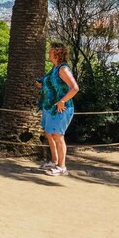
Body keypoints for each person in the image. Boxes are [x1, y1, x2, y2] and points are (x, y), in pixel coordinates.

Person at [36, 43, 80, 176]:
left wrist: (62, 101)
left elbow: (75, 88)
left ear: (57, 53)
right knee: (49, 134)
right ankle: (54, 161)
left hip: (61, 108)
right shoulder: (54, 68)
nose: (48, 53)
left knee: (58, 136)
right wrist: (41, 84)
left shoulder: (63, 69)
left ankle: (62, 167)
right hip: (50, 107)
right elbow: (51, 85)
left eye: (50, 51)